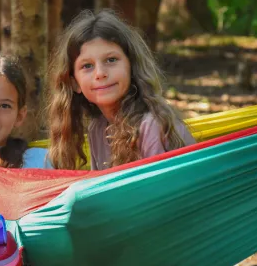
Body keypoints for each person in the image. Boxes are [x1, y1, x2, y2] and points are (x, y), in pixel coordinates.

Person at [47, 10, 195, 170]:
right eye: (87, 66)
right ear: (74, 83)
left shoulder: (150, 125)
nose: (100, 73)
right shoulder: (97, 129)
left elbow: (158, 191)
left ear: (132, 67)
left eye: (111, 60)